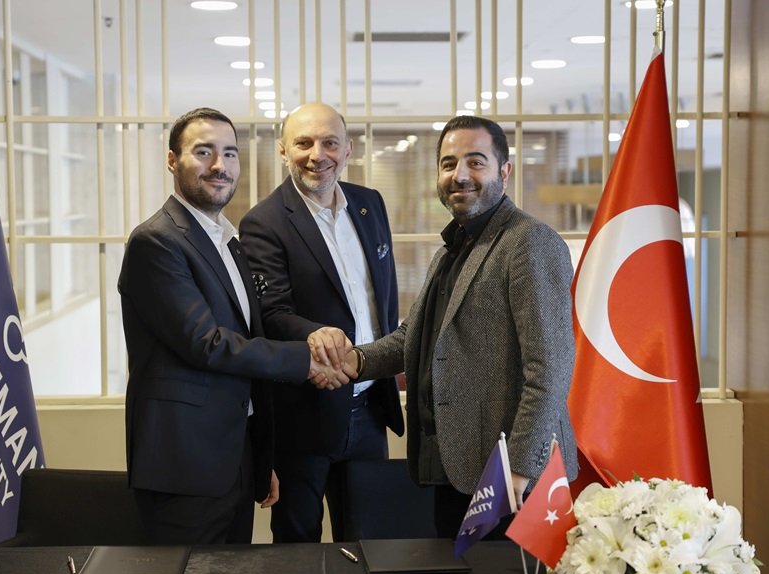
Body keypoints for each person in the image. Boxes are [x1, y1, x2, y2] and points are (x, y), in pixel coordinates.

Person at [118, 107, 350, 545]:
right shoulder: (157, 242)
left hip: (235, 460)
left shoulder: (229, 243)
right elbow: (206, 344)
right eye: (203, 152)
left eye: (229, 153)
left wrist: (261, 460)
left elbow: (249, 343)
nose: (219, 166)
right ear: (172, 161)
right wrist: (309, 359)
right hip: (183, 465)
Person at [347, 115, 578, 538]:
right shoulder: (452, 248)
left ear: (504, 172)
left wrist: (519, 472)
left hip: (510, 478)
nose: (460, 175)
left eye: (476, 162)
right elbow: (413, 339)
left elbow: (551, 367)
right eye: (449, 163)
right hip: (457, 467)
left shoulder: (528, 241)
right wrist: (352, 362)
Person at [239, 103, 404, 543]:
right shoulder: (264, 222)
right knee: (299, 549)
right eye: (304, 143)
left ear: (348, 149)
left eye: (330, 142)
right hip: (304, 420)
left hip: (370, 410)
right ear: (283, 150)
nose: (318, 154)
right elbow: (271, 314)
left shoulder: (370, 205)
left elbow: (381, 302)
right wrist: (314, 334)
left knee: (372, 542)